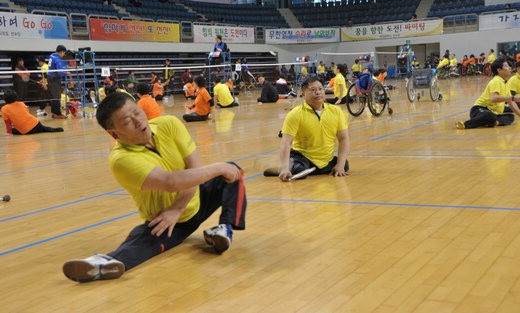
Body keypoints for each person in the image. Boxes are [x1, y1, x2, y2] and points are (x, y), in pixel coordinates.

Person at [62, 92, 247, 282]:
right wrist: (217, 167)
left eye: (137, 112)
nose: (138, 121)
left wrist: (178, 208)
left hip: (196, 199)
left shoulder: (169, 124)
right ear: (114, 134)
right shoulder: (121, 160)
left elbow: (195, 169)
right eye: (127, 121)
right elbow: (171, 182)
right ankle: (103, 263)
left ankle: (224, 230)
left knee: (232, 171)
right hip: (167, 221)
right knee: (144, 243)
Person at [264, 77, 350, 181]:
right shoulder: (295, 114)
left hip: (326, 159)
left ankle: (298, 168)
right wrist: (285, 168)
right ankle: (285, 168)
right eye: (312, 90)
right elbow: (286, 142)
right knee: (300, 170)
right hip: (303, 157)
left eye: (320, 89)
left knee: (344, 165)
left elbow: (343, 139)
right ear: (303, 94)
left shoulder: (336, 111)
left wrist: (340, 165)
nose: (317, 92)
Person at [456, 57, 520, 129]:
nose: (509, 68)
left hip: (494, 113)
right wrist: (513, 98)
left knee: (510, 117)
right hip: (480, 109)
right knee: (489, 115)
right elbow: (493, 98)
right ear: (499, 70)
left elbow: (511, 103)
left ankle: (493, 122)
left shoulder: (505, 83)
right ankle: (466, 124)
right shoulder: (496, 81)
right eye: (506, 66)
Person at [47, 45, 69, 119]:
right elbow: (60, 72)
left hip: (49, 78)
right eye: (64, 52)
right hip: (54, 79)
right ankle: (58, 114)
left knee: (53, 97)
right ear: (62, 52)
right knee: (57, 96)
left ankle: (54, 113)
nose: (64, 54)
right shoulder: (58, 59)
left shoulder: (52, 56)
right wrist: (67, 73)